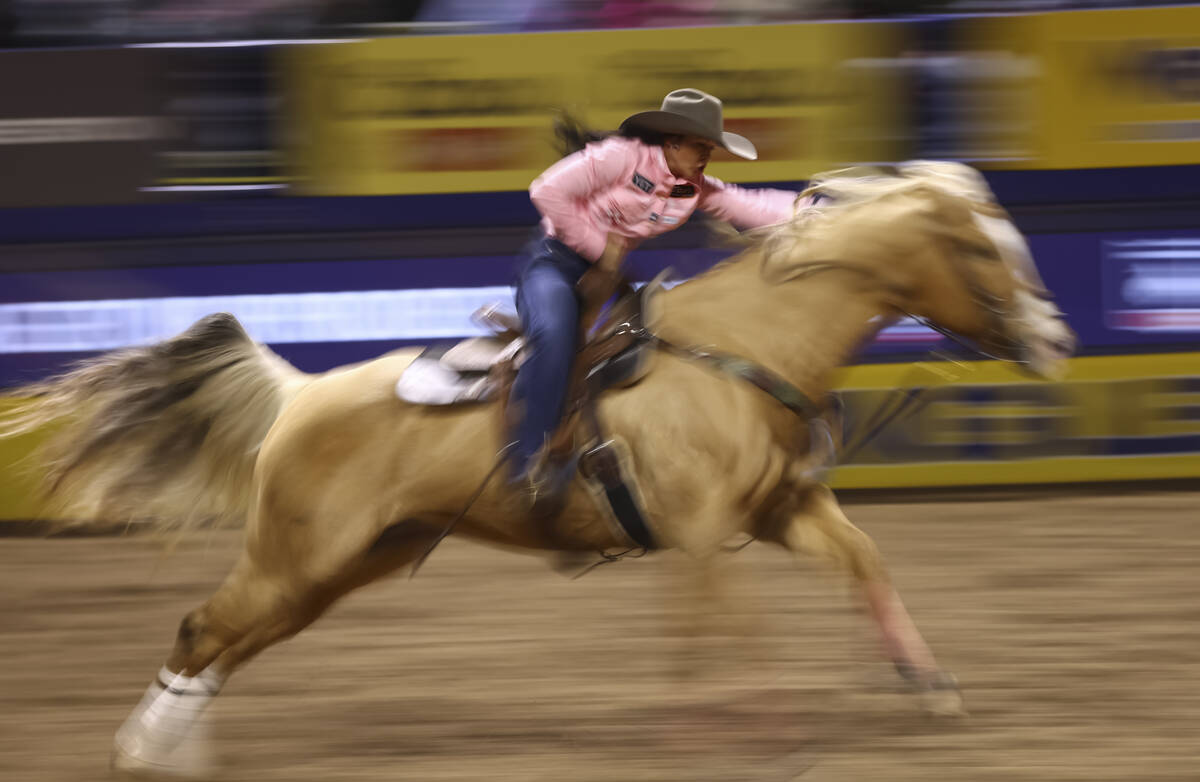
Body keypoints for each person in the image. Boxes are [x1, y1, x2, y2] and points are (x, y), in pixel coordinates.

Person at [508, 88, 802, 513]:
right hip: (553, 264)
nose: (706, 157)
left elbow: (750, 205)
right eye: (700, 146)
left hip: (609, 280)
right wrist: (597, 248)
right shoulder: (619, 157)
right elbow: (545, 191)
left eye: (711, 149)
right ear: (671, 141)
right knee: (555, 335)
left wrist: (821, 211)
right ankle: (525, 464)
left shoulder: (691, 187)